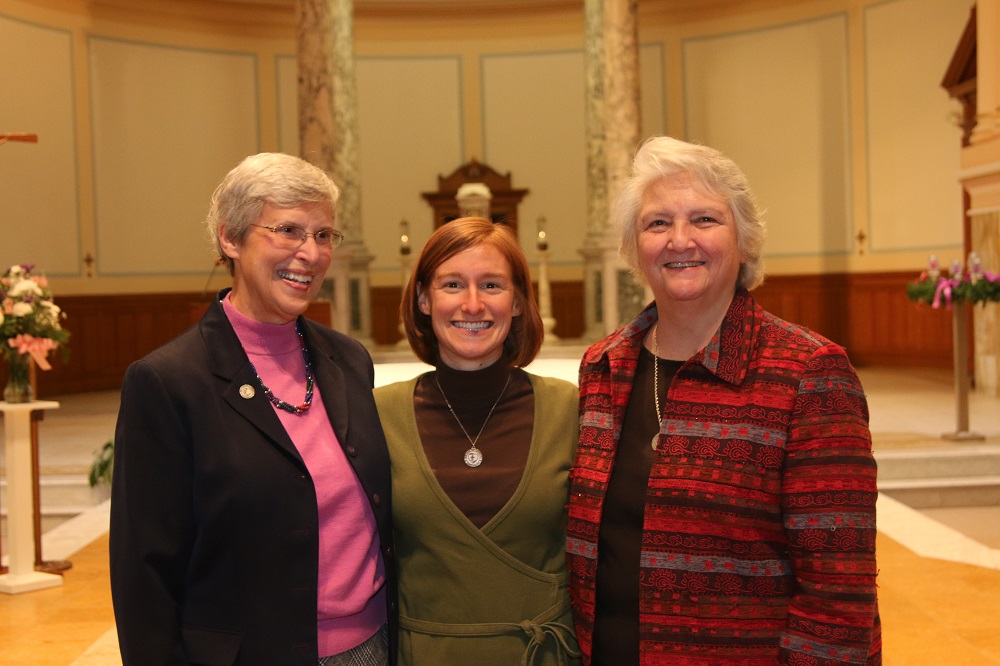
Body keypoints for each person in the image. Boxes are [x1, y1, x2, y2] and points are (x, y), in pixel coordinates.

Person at [567, 136, 881, 665]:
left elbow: (838, 594)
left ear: (745, 239)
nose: (679, 240)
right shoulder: (604, 366)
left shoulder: (808, 372)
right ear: (633, 247)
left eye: (705, 220)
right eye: (657, 223)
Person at [110, 152, 397, 666]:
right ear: (230, 239)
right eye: (288, 230)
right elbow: (144, 576)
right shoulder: (168, 381)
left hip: (370, 647)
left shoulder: (348, 359)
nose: (310, 253)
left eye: (324, 235)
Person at [374, 217, 580, 665]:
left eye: (491, 285)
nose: (472, 304)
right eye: (452, 284)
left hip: (541, 654)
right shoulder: (378, 413)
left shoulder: (570, 409)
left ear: (519, 301)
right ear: (424, 300)